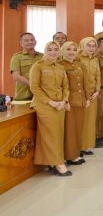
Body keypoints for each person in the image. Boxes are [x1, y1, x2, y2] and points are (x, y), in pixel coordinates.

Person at [30, 41, 71, 176]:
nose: (53, 52)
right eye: (50, 49)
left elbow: (66, 86)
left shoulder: (60, 67)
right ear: (45, 50)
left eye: (56, 49)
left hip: (60, 105)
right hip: (45, 106)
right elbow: (34, 87)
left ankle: (53, 162)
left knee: (58, 134)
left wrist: (64, 100)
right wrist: (50, 102)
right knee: (51, 134)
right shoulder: (38, 66)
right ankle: (59, 163)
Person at [59, 41, 87, 165]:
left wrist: (86, 98)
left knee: (78, 128)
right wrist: (65, 101)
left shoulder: (78, 64)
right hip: (69, 102)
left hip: (80, 101)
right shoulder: (60, 65)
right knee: (70, 130)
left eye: (74, 50)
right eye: (68, 49)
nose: (71, 52)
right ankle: (70, 156)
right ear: (63, 51)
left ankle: (76, 152)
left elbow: (84, 83)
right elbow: (61, 86)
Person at [77, 37, 101, 154]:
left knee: (90, 121)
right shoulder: (77, 58)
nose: (91, 48)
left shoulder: (95, 60)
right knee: (81, 121)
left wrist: (97, 91)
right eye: (88, 45)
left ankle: (86, 146)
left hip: (93, 95)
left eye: (93, 46)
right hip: (81, 95)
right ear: (82, 46)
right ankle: (78, 147)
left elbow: (98, 76)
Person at [10, 32, 43, 100]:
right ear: (21, 43)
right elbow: (16, 76)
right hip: (24, 95)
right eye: (26, 40)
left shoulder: (42, 56)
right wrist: (34, 85)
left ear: (35, 42)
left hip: (41, 94)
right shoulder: (17, 57)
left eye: (32, 40)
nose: (30, 42)